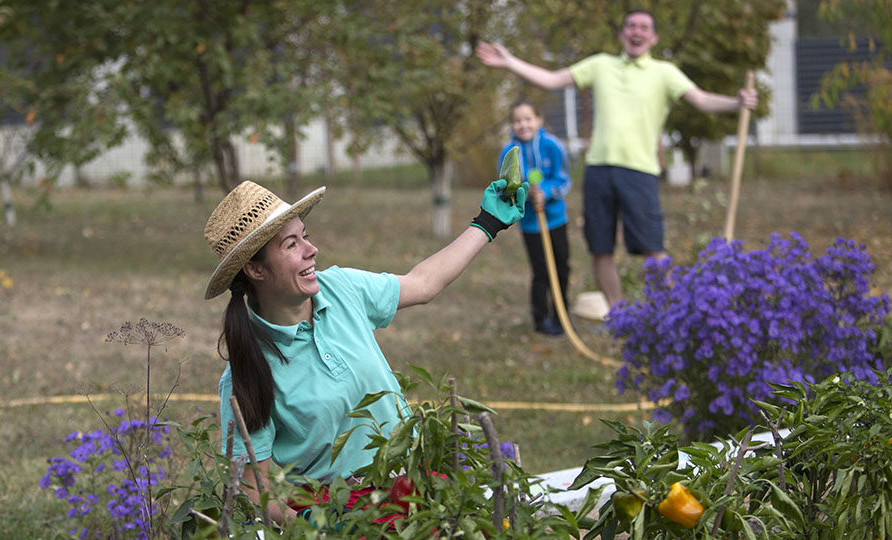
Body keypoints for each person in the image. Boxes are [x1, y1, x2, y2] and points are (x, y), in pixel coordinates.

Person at [202, 178, 527, 524]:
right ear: (255, 269)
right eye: (291, 244)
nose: (311, 250)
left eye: (305, 236)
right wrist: (315, 529)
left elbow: (424, 283)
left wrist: (487, 223)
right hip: (345, 514)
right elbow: (253, 488)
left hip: (418, 488)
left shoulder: (340, 289)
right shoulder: (248, 370)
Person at [477, 9, 758, 308]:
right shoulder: (601, 65)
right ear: (623, 34)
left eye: (644, 27)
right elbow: (550, 79)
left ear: (653, 37)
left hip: (640, 172)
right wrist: (509, 61)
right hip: (598, 171)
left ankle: (671, 313)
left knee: (653, 248)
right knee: (600, 248)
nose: (637, 31)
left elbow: (701, 100)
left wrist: (736, 102)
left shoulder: (665, 73)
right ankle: (618, 315)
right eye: (631, 26)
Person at [499, 100, 572, 336]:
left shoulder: (553, 146)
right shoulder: (509, 152)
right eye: (517, 121)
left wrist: (547, 192)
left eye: (528, 119)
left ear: (538, 120)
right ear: (512, 125)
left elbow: (564, 179)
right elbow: (505, 188)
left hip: (555, 219)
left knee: (561, 267)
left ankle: (562, 316)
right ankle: (541, 320)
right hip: (531, 223)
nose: (523, 125)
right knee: (540, 271)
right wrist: (525, 191)